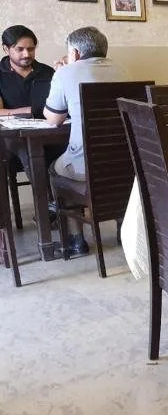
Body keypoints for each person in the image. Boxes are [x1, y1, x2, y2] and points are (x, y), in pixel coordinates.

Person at [44, 27, 128, 256]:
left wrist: (60, 74)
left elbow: (53, 119)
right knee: (114, 167)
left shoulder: (65, 73)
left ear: (75, 53)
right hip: (124, 164)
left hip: (84, 167)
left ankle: (76, 239)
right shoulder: (125, 71)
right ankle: (123, 232)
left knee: (54, 169)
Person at [0, 25, 54, 117]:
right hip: (9, 126)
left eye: (31, 49)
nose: (26, 54)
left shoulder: (48, 72)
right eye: (19, 49)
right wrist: (29, 111)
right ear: (6, 49)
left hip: (48, 125)